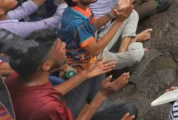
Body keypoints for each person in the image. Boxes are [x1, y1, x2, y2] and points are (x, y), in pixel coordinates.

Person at [5, 28, 137, 120]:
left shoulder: (15, 77)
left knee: (96, 71)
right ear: (47, 65)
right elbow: (46, 101)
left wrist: (85, 74)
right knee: (129, 110)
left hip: (55, 110)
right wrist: (101, 95)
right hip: (58, 113)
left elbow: (50, 93)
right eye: (59, 47)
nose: (64, 45)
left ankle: (101, 111)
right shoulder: (47, 107)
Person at [57, 0, 144, 73]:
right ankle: (132, 40)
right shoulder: (76, 23)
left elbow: (94, 25)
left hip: (94, 41)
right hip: (88, 61)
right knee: (136, 55)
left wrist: (115, 10)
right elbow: (95, 50)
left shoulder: (79, 8)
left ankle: (122, 49)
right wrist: (119, 21)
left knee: (131, 13)